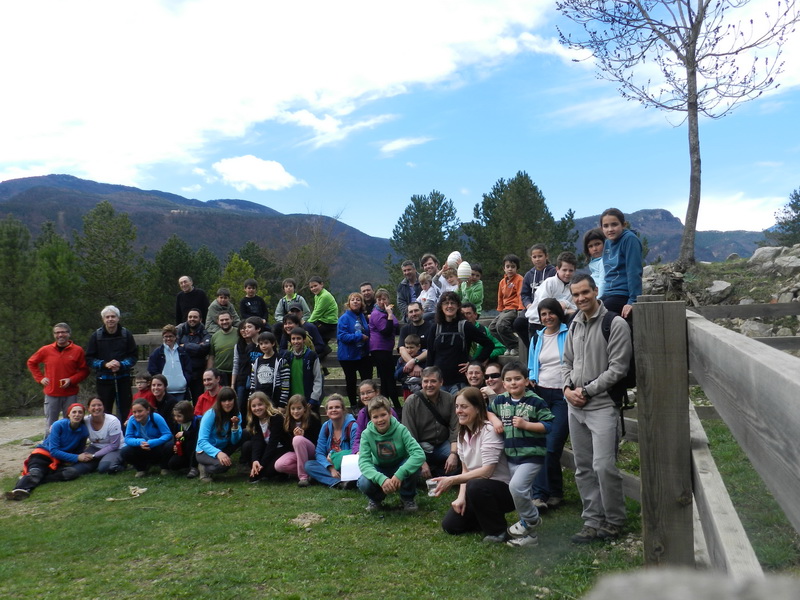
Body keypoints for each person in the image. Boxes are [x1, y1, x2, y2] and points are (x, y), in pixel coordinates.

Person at [563, 273, 632, 543]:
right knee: (583, 467)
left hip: (602, 405)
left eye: (585, 293)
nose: (580, 298)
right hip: (575, 406)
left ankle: (614, 520)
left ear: (595, 291)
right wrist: (567, 389)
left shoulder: (614, 324)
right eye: (576, 295)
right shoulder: (574, 325)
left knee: (604, 466)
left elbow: (618, 368)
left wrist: (586, 390)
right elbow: (565, 362)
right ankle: (592, 521)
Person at [431, 387, 515, 543]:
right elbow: (465, 468)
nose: (459, 411)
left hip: (503, 490)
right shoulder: (463, 434)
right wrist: (461, 497)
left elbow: (487, 472)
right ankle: (484, 518)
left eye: (464, 407)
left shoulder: (489, 431)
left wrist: (452, 480)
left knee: (476, 485)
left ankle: (498, 532)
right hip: (476, 489)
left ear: (477, 409)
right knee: (451, 525)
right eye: (457, 407)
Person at [486, 361, 553, 547]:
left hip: (532, 455)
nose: (513, 383)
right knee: (522, 494)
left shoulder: (535, 401)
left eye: (517, 379)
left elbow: (548, 425)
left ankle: (531, 519)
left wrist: (527, 425)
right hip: (511, 456)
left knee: (516, 488)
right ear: (503, 383)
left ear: (526, 381)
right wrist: (495, 421)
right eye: (508, 380)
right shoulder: (501, 400)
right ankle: (530, 538)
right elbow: (488, 412)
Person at [529, 298, 571, 510]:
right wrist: (531, 376)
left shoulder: (568, 332)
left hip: (562, 396)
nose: (547, 318)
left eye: (550, 313)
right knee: (540, 444)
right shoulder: (537, 337)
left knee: (552, 445)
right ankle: (548, 493)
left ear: (558, 313)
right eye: (543, 314)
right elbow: (531, 364)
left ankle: (544, 492)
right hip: (542, 394)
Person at [5, 403, 92, 500]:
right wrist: (77, 457)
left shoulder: (84, 431)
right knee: (36, 472)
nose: (77, 414)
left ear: (83, 415)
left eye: (80, 412)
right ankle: (18, 490)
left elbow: (78, 451)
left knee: (72, 473)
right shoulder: (58, 425)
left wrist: (80, 456)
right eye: (74, 412)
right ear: (68, 414)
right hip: (42, 455)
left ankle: (33, 479)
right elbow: (54, 451)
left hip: (59, 461)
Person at [357, 396, 426, 512]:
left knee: (414, 466)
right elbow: (364, 462)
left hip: (399, 465)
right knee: (363, 482)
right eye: (375, 417)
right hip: (379, 467)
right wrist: (381, 479)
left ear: (390, 414)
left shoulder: (401, 429)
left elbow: (419, 454)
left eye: (383, 415)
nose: (380, 420)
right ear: (371, 418)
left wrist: (400, 473)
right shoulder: (366, 434)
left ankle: (407, 497)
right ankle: (376, 499)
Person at [27, 322, 90, 437]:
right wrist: (40, 378)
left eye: (63, 332)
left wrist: (71, 380)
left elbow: (85, 370)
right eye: (57, 333)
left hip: (70, 393)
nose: (60, 335)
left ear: (69, 334)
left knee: (72, 422)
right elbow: (31, 362)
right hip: (52, 393)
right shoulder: (46, 350)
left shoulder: (77, 350)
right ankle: (48, 447)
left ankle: (70, 445)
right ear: (54, 335)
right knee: (51, 422)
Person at [427, 292, 494, 394]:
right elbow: (430, 354)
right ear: (441, 306)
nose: (449, 306)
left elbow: (489, 344)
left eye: (452, 303)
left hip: (458, 382)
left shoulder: (465, 326)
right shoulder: (435, 328)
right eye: (446, 303)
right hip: (439, 381)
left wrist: (473, 363)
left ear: (458, 306)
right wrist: (428, 376)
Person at [401, 366, 458, 478]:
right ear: (421, 383)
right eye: (426, 381)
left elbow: (455, 428)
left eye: (433, 381)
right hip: (420, 447)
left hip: (442, 445)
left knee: (461, 458)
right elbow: (408, 436)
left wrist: (454, 454)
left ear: (441, 382)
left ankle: (435, 472)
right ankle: (435, 471)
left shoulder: (450, 399)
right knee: (408, 467)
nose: (429, 385)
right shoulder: (411, 402)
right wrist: (421, 462)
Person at [85, 305, 138, 420]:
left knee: (125, 410)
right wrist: (104, 364)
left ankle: (125, 434)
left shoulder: (126, 334)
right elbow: (89, 359)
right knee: (104, 409)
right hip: (104, 381)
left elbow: (133, 356)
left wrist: (121, 364)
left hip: (123, 379)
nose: (110, 319)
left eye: (113, 316)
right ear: (103, 319)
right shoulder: (96, 336)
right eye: (107, 317)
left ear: (118, 318)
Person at [304, 394, 358, 489]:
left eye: (337, 407)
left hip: (348, 465)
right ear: (327, 412)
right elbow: (319, 452)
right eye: (330, 408)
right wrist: (330, 467)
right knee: (309, 465)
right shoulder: (325, 427)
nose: (334, 410)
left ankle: (324, 478)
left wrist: (334, 456)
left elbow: (355, 452)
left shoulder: (353, 426)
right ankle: (339, 482)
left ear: (343, 410)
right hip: (331, 465)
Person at [600, 207, 643, 319]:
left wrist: (632, 301)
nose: (610, 229)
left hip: (622, 294)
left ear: (623, 225)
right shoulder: (607, 243)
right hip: (608, 294)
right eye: (606, 226)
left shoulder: (629, 240)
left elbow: (634, 271)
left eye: (614, 224)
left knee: (597, 316)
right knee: (579, 315)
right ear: (601, 228)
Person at [513, 244, 557, 349]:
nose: (537, 259)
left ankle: (543, 348)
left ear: (546, 256)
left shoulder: (553, 272)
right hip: (532, 307)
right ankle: (532, 348)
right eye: (534, 257)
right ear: (531, 258)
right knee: (518, 323)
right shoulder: (529, 275)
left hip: (548, 307)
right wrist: (528, 305)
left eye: (540, 256)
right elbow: (524, 293)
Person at [196, 387, 243, 483]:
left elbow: (235, 441)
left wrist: (235, 427)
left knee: (245, 433)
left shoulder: (237, 414)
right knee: (224, 465)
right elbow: (202, 441)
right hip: (205, 450)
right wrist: (218, 453)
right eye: (223, 400)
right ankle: (204, 468)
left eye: (230, 400)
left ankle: (244, 465)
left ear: (234, 400)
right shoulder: (210, 414)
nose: (227, 403)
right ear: (219, 401)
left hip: (223, 447)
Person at [524, 252, 578, 335]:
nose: (567, 273)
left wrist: (565, 305)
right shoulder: (549, 283)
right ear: (557, 269)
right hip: (538, 322)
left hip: (556, 323)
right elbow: (544, 306)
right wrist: (565, 307)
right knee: (537, 347)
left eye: (571, 270)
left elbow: (575, 308)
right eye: (564, 270)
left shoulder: (574, 287)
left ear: (575, 271)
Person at [274, 395, 322, 486]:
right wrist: (293, 438)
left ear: (305, 408)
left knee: (298, 439)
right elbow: (287, 445)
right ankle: (312, 473)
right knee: (279, 465)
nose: (296, 411)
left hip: (312, 451)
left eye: (299, 408)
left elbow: (318, 441)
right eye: (293, 408)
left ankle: (303, 477)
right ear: (289, 409)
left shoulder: (313, 419)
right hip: (296, 452)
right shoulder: (286, 422)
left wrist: (303, 436)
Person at [120, 398, 174, 478]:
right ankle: (141, 468)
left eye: (140, 411)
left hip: (157, 446)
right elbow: (128, 438)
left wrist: (153, 442)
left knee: (169, 446)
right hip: (141, 447)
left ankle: (164, 467)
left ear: (148, 410)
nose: (137, 414)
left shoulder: (156, 417)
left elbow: (168, 434)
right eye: (134, 412)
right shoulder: (131, 420)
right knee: (125, 451)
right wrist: (140, 442)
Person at [337, 292, 372, 408]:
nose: (355, 301)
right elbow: (342, 336)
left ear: (361, 303)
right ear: (349, 303)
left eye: (358, 299)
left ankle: (365, 405)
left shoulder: (362, 316)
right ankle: (353, 406)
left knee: (367, 380)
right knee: (351, 381)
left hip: (362, 354)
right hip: (348, 356)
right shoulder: (344, 318)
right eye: (353, 300)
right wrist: (359, 337)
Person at [241, 391, 286, 482]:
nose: (257, 408)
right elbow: (257, 442)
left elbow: (273, 443)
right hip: (266, 448)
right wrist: (255, 460)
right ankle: (256, 469)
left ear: (266, 404)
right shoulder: (255, 420)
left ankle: (269, 472)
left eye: (260, 405)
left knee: (267, 471)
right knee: (247, 446)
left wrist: (262, 464)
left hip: (280, 449)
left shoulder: (276, 417)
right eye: (254, 406)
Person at [369, 288, 400, 411]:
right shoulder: (377, 314)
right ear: (376, 301)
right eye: (379, 299)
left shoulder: (386, 312)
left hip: (386, 349)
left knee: (386, 378)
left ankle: (386, 405)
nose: (382, 301)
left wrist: (390, 315)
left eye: (384, 299)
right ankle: (396, 406)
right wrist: (390, 315)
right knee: (388, 377)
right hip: (379, 348)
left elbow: (396, 325)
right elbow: (386, 330)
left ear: (388, 300)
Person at [489, 254, 524, 356]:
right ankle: (509, 346)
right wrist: (500, 309)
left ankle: (516, 345)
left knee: (501, 325)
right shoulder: (502, 282)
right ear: (503, 268)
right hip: (505, 310)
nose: (510, 269)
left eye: (513, 267)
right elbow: (500, 297)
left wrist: (520, 309)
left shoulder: (519, 279)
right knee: (492, 328)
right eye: (507, 267)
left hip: (514, 308)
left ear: (517, 268)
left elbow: (520, 294)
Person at [78, 397, 124, 475]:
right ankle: (100, 460)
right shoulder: (85, 420)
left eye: (99, 405)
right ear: (88, 408)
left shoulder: (113, 421)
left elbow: (114, 445)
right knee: (80, 463)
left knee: (104, 468)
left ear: (103, 407)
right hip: (95, 447)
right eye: (93, 405)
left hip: (116, 448)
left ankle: (122, 463)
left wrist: (94, 455)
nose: (96, 408)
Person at [352, 380, 398, 453]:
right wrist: (357, 451)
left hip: (390, 449)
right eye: (362, 394)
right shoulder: (362, 413)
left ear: (377, 392)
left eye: (369, 392)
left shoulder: (388, 411)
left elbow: (397, 434)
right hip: (368, 450)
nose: (365, 396)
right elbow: (358, 437)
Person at [147, 324, 192, 400]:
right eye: (166, 336)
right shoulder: (157, 353)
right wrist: (159, 383)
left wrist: (185, 380)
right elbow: (152, 369)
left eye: (170, 336)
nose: (168, 339)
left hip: (181, 391)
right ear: (163, 337)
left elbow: (188, 368)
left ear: (175, 337)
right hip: (164, 392)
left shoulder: (182, 352)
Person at [175, 309, 211, 402]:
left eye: (195, 317)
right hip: (182, 372)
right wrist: (197, 347)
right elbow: (176, 347)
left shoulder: (205, 333)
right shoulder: (181, 331)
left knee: (198, 400)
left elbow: (204, 348)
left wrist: (185, 345)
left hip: (198, 373)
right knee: (181, 401)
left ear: (200, 319)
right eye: (190, 317)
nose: (192, 319)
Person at [284, 327, 323, 411]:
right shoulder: (287, 356)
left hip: (309, 401)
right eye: (293, 339)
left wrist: (314, 398)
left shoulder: (312, 356)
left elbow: (318, 378)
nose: (296, 341)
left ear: (304, 340)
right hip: (292, 401)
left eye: (298, 338)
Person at [250, 331, 290, 409]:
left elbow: (285, 384)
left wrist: (282, 404)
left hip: (275, 401)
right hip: (259, 402)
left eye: (266, 343)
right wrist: (250, 400)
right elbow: (253, 384)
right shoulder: (256, 362)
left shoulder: (281, 361)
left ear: (273, 343)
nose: (263, 346)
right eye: (261, 344)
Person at [231, 317, 264, 412]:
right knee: (242, 406)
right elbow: (236, 364)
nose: (245, 330)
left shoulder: (263, 344)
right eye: (244, 328)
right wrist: (233, 384)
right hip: (245, 379)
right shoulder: (246, 347)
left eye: (249, 327)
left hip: (261, 380)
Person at [167, 400, 202, 478]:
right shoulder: (177, 424)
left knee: (191, 445)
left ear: (187, 415)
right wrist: (175, 445)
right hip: (183, 450)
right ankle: (186, 466)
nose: (176, 418)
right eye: (175, 416)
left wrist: (185, 433)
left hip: (195, 449)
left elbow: (197, 435)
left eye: (179, 416)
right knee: (172, 464)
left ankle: (194, 467)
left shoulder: (196, 422)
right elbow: (176, 437)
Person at [307, 276, 338, 350]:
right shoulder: (317, 295)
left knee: (310, 329)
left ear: (321, 284)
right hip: (322, 320)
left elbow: (317, 313)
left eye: (315, 286)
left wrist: (306, 324)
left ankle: (323, 348)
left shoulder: (325, 296)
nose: (313, 288)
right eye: (311, 287)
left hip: (329, 323)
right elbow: (315, 310)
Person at [207, 312, 237, 385]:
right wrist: (208, 373)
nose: (224, 322)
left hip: (236, 373)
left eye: (227, 319)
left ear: (232, 319)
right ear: (218, 322)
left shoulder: (239, 333)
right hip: (220, 374)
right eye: (222, 320)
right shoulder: (214, 336)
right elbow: (211, 357)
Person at [584, 228, 606, 298]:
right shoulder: (594, 262)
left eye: (597, 244)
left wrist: (598, 299)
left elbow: (603, 281)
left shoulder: (603, 262)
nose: (594, 249)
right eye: (590, 246)